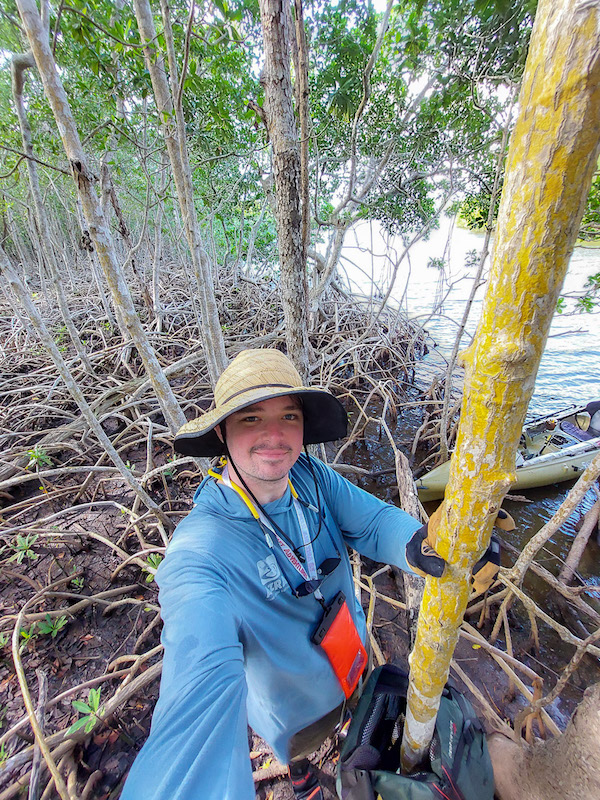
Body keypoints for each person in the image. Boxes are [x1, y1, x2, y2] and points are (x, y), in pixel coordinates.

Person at [120, 348, 494, 800]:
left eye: (289, 416)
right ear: (221, 430)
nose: (275, 436)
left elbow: (373, 523)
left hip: (351, 661)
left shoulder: (311, 475)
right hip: (291, 710)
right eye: (251, 418)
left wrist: (425, 546)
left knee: (360, 721)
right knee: (299, 754)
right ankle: (301, 781)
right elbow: (196, 704)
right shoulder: (200, 554)